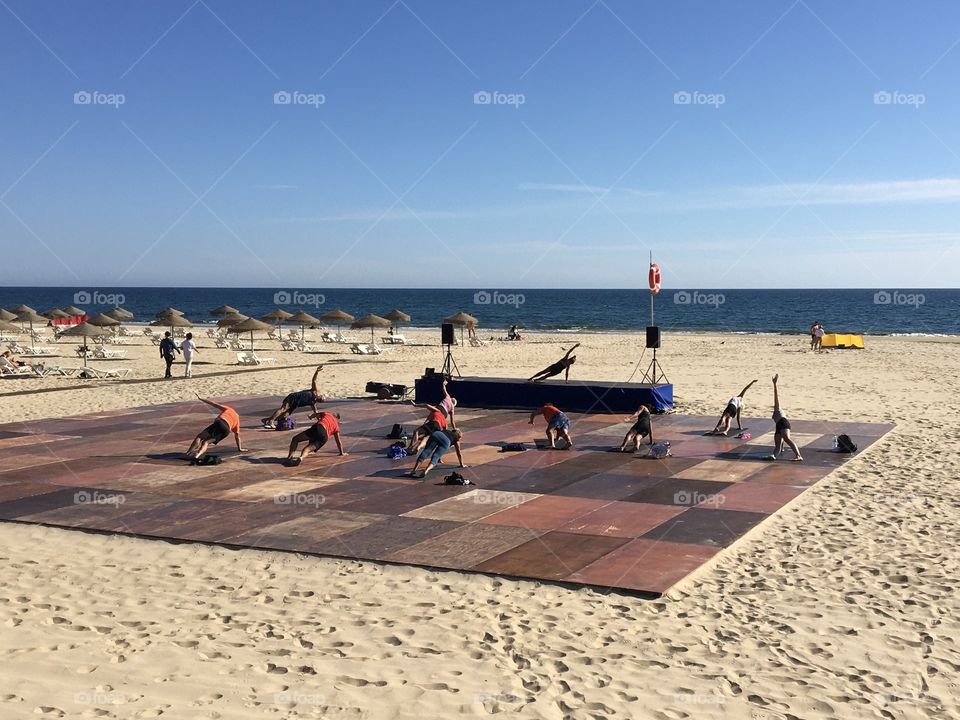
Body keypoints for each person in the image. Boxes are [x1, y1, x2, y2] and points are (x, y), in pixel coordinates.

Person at [261, 365, 325, 428]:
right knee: (283, 409)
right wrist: (317, 372)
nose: (322, 399)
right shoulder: (314, 391)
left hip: (295, 404)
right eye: (322, 397)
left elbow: (316, 412)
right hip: (293, 398)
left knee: (285, 415)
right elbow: (314, 381)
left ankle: (267, 420)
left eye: (322, 400)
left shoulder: (313, 402)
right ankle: (271, 421)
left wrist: (320, 421)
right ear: (320, 395)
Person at [186, 393, 247, 459]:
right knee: (206, 442)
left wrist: (201, 399)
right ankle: (197, 455)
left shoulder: (229, 409)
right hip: (226, 430)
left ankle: (188, 453)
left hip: (220, 422)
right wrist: (239, 448)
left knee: (199, 437)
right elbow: (237, 436)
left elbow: (214, 404)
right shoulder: (237, 420)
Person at [768, 374, 803, 461]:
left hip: (783, 423)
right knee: (778, 445)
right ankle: (774, 455)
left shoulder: (777, 408)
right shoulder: (777, 411)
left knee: (787, 438)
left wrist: (774, 384)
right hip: (778, 426)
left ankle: (798, 455)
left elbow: (776, 397)